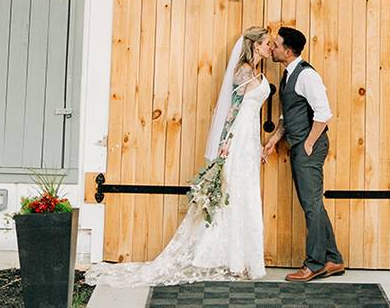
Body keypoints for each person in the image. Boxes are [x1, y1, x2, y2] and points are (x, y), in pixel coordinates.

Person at [85, 26, 272, 288]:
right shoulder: (242, 71)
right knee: (235, 195)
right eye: (265, 43)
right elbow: (232, 110)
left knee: (247, 193)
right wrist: (224, 145)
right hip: (238, 139)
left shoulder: (257, 72)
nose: (269, 47)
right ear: (254, 46)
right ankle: (233, 260)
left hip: (251, 139)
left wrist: (261, 143)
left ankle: (244, 260)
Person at [263, 26, 345, 282]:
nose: (272, 48)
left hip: (309, 147)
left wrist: (309, 143)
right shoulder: (288, 75)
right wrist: (275, 138)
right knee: (314, 204)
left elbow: (324, 113)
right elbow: (291, 113)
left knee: (311, 205)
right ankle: (333, 259)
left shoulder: (307, 75)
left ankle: (315, 263)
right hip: (298, 146)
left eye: (276, 45)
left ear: (287, 51)